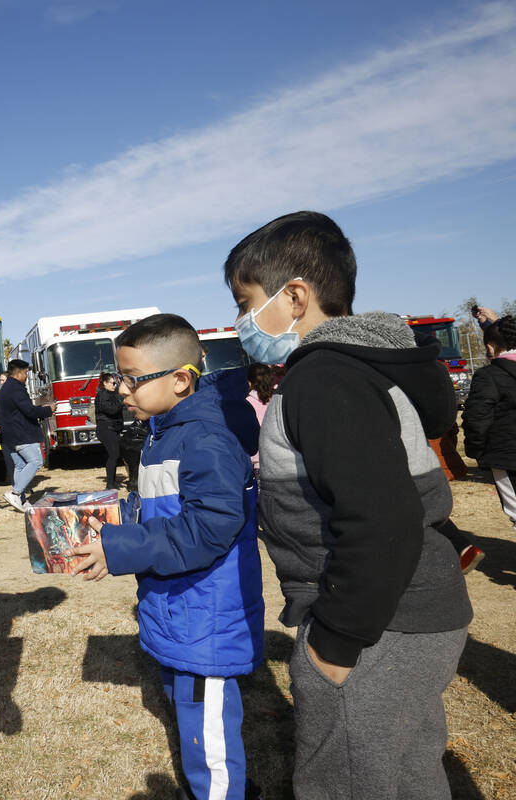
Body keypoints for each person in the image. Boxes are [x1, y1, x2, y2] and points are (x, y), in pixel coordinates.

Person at [223, 211, 471, 799]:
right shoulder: (355, 368)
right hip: (406, 615)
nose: (240, 321)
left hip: (375, 626)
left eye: (245, 301)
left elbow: (380, 519)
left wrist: (335, 642)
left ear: (295, 296)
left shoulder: (323, 382)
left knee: (351, 778)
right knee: (404, 773)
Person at [68, 314, 264, 800]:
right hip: (179, 608)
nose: (121, 392)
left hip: (207, 617)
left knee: (209, 735)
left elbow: (208, 528)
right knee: (192, 717)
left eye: (132, 380)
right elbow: (160, 509)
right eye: (118, 379)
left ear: (180, 379)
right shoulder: (161, 433)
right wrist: (117, 522)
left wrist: (121, 548)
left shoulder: (207, 441)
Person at [463, 316, 516, 533]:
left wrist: (477, 451)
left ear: (490, 347)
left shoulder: (489, 376)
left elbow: (477, 417)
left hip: (507, 456)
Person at [0, 358, 51, 511]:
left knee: (20, 466)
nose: (27, 376)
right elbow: (30, 411)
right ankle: (15, 492)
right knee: (36, 461)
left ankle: (20, 500)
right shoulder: (16, 388)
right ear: (18, 373)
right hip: (22, 433)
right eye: (25, 373)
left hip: (10, 436)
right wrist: (48, 409)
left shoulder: (5, 388)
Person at [244, 363, 279, 471]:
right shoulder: (280, 398)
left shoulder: (247, 403)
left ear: (250, 382)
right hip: (284, 457)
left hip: (260, 461)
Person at [94, 371, 123, 489]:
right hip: (105, 428)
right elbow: (111, 410)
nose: (115, 385)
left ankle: (113, 482)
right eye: (113, 383)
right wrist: (121, 401)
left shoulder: (112, 393)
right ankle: (110, 484)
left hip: (112, 428)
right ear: (105, 383)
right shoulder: (102, 395)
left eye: (116, 383)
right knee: (114, 454)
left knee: (115, 454)